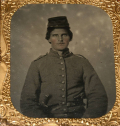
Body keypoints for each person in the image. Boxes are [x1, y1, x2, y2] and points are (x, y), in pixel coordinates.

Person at [20, 16, 108, 118]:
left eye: (64, 35)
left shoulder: (82, 62)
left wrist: (85, 121)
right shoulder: (37, 64)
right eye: (55, 35)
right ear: (49, 38)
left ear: (69, 37)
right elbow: (27, 102)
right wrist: (46, 123)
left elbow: (98, 96)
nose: (60, 39)